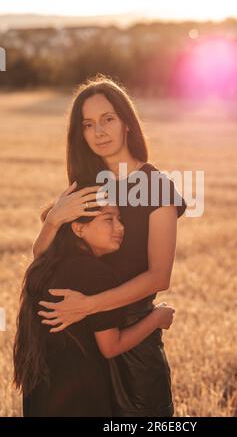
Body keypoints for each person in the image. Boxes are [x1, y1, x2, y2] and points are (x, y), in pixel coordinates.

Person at [32, 74, 187, 416]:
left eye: (107, 119)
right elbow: (43, 262)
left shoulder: (156, 187)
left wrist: (89, 305)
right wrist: (55, 219)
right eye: (88, 124)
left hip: (133, 340)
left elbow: (159, 277)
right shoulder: (85, 187)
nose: (98, 132)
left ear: (127, 123)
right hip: (79, 344)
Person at [14, 199, 175, 417]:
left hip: (39, 394)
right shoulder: (97, 274)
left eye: (119, 219)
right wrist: (158, 317)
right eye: (109, 219)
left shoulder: (44, 266)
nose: (120, 227)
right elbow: (111, 346)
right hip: (80, 397)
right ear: (79, 228)